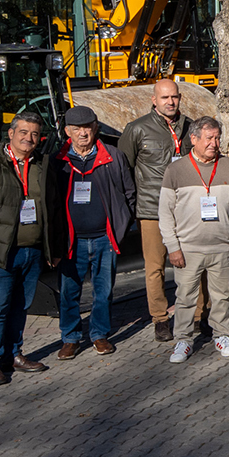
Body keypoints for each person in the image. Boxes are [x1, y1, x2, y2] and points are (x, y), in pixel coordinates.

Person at [0, 112, 61, 385]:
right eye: (24, 132)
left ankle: (13, 355)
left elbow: (52, 208)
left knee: (20, 307)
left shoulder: (42, 165)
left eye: (35, 134)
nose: (29, 139)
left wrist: (53, 248)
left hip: (32, 251)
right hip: (0, 253)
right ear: (11, 133)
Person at [159, 117, 229, 362]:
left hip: (222, 246)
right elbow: (165, 213)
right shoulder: (176, 170)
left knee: (222, 295)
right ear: (194, 139)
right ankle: (183, 340)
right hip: (188, 249)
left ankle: (221, 334)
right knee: (186, 296)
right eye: (209, 138)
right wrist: (173, 247)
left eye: (217, 138)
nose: (214, 143)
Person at [116, 79, 194, 342]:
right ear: (154, 100)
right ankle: (160, 319)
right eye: (164, 98)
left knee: (191, 263)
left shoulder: (190, 127)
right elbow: (123, 168)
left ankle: (196, 314)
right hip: (151, 209)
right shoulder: (137, 129)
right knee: (155, 267)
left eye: (174, 97)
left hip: (185, 208)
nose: (170, 102)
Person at [55, 105, 136, 359]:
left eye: (87, 127)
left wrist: (121, 225)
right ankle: (70, 338)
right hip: (72, 240)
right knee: (70, 292)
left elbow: (129, 192)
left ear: (96, 128)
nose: (83, 133)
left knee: (104, 290)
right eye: (76, 129)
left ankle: (99, 335)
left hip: (104, 237)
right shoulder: (58, 162)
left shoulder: (112, 156)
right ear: (67, 131)